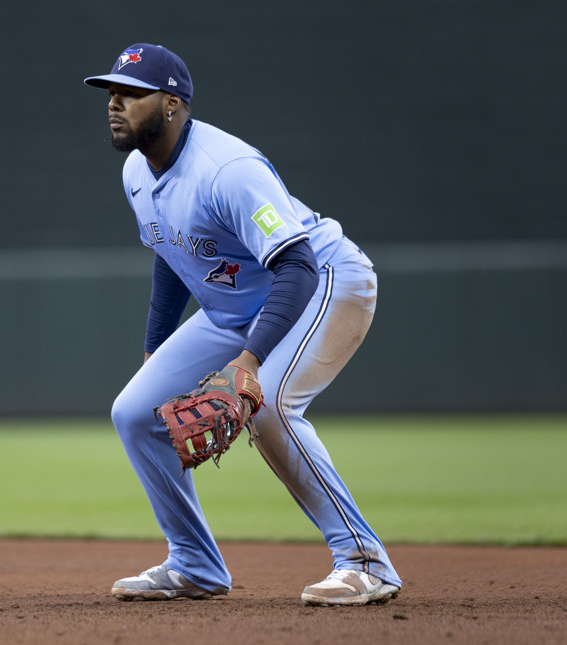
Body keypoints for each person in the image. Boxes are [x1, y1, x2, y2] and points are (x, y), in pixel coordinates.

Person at [84, 43, 401, 606]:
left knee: (271, 405)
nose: (115, 103)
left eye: (131, 93)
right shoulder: (137, 170)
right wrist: (155, 352)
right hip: (238, 307)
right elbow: (175, 254)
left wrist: (248, 363)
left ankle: (363, 561)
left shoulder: (228, 170)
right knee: (134, 411)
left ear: (173, 104)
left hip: (326, 281)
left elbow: (297, 264)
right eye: (112, 92)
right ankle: (194, 565)